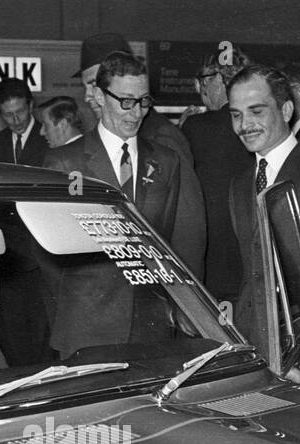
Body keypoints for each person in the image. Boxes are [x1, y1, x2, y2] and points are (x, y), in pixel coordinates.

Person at [42, 51, 205, 355]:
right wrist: (66, 320)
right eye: (125, 101)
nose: (136, 113)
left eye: (143, 101)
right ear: (100, 97)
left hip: (153, 326)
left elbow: (174, 244)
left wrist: (180, 309)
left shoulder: (166, 160)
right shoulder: (64, 161)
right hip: (85, 329)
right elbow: (49, 261)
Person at [227, 65, 300, 363]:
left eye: (257, 111)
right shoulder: (240, 184)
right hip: (254, 350)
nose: (245, 125)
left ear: (287, 109)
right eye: (236, 114)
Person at [182, 45, 252, 301]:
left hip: (213, 258)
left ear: (221, 80)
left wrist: (183, 128)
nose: (200, 89)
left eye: (203, 80)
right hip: (250, 255)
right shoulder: (256, 123)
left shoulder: (197, 127)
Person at [75, 33, 194, 167]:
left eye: (94, 84)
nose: (87, 96)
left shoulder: (162, 139)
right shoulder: (104, 137)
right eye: (85, 86)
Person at [0, 78, 47, 165]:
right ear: (0, 114)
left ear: (31, 106)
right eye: (8, 115)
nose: (16, 121)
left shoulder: (48, 138)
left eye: (20, 112)